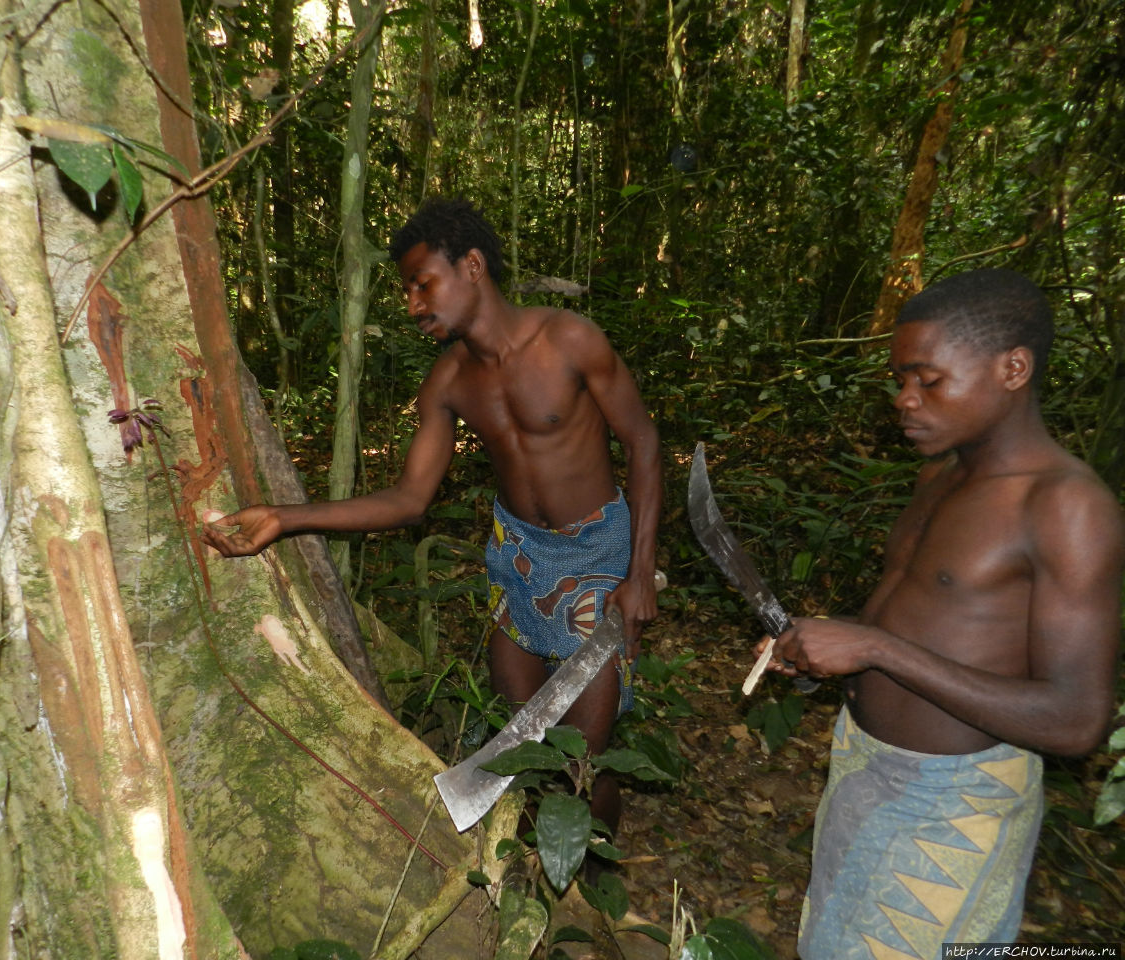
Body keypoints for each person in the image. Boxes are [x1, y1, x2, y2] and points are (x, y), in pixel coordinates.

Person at [201, 197, 662, 838]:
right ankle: (540, 883)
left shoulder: (568, 340)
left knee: (585, 760)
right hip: (518, 560)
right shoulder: (447, 383)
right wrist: (285, 516)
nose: (414, 305)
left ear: (471, 265)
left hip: (596, 557)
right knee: (520, 749)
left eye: (424, 284)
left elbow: (642, 441)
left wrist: (640, 573)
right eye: (408, 291)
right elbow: (408, 499)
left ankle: (595, 900)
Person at [760, 268, 1124, 959]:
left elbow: (1077, 721)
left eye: (928, 380)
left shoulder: (1066, 508)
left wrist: (875, 650)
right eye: (900, 379)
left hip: (954, 803)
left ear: (1013, 368)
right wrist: (821, 652)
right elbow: (919, 621)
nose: (904, 400)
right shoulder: (940, 477)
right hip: (864, 767)